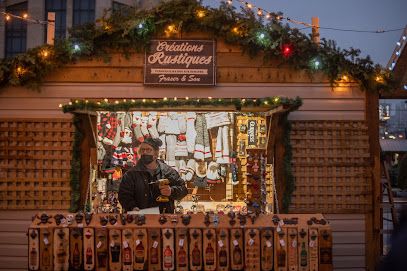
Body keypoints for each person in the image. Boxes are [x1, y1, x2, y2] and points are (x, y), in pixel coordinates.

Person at [118, 137, 188, 213]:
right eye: (142, 150)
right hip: (140, 219)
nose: (144, 152)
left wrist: (171, 191)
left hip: (164, 219)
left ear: (156, 154)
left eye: (148, 150)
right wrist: (132, 207)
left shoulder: (167, 171)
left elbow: (183, 190)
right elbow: (124, 195)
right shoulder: (131, 174)